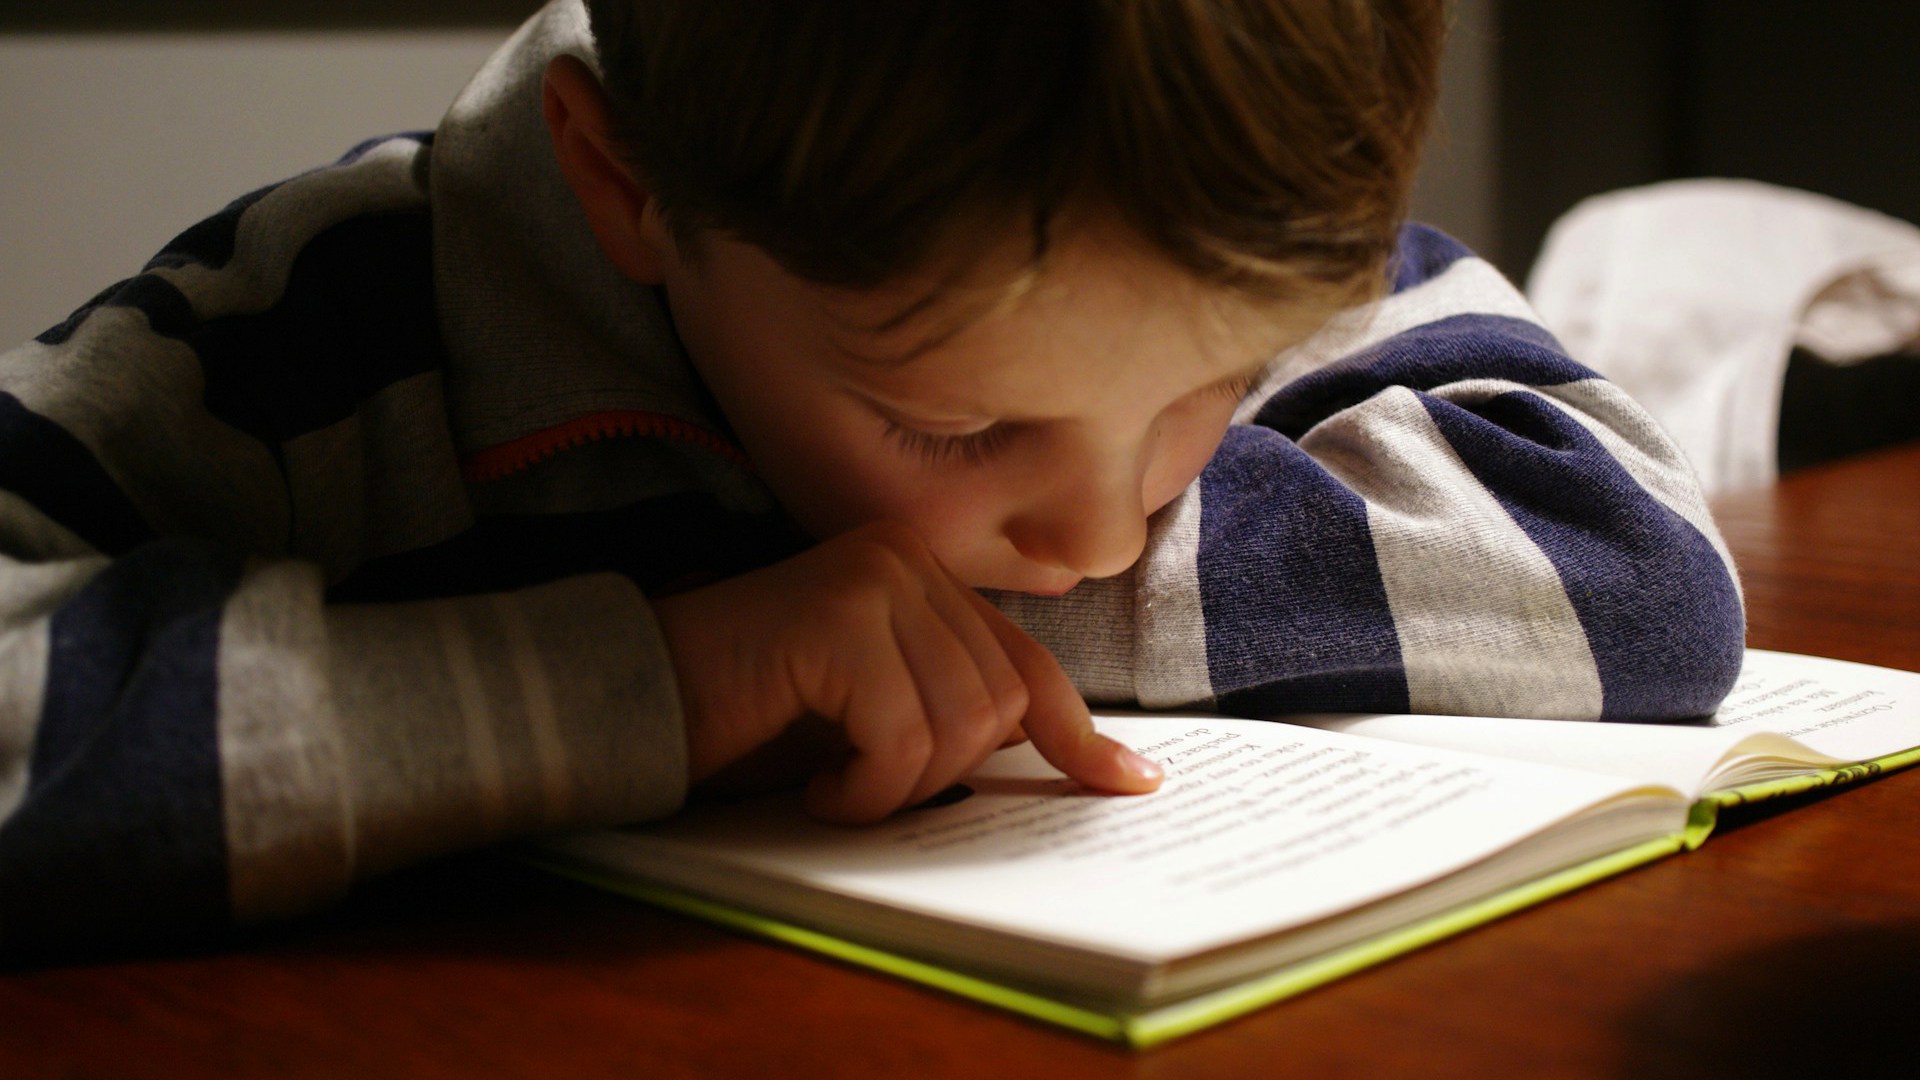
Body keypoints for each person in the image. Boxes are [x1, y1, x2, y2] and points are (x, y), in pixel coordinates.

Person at [0, 0, 1744, 960]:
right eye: (959, 425)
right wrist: (653, 677)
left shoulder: (1196, 209)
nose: (1095, 530)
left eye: (1211, 388)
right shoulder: (299, 335)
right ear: (625, 190)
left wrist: (963, 600)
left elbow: (1637, 564)